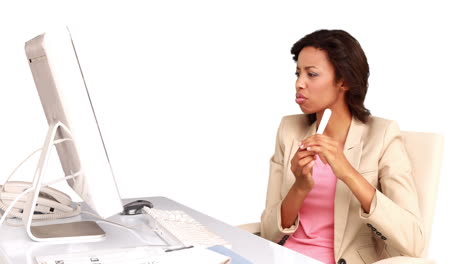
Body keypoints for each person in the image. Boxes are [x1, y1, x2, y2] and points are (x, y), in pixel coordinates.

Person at [260, 29, 425, 264]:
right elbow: (268, 233)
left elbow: (414, 242)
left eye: (312, 74)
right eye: (298, 74)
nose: (299, 84)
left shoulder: (382, 136)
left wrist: (347, 172)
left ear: (343, 81)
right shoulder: (289, 130)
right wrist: (300, 187)